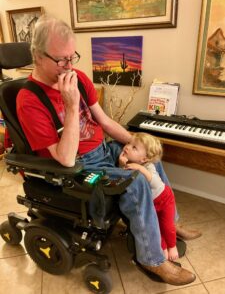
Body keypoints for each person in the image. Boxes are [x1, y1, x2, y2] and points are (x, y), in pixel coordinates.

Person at [17, 14, 197, 286]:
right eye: (61, 60)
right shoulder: (29, 100)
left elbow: (103, 121)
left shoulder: (77, 76)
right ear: (38, 56)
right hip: (77, 167)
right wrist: (69, 104)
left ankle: (168, 223)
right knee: (136, 181)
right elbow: (65, 158)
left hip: (103, 150)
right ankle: (152, 258)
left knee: (150, 162)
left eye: (71, 57)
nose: (69, 66)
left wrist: (137, 142)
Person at [119, 132, 180, 261]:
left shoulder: (149, 166)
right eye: (129, 143)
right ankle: (162, 248)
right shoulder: (131, 162)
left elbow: (155, 182)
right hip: (152, 203)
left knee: (168, 226)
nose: (128, 147)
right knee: (156, 226)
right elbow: (124, 177)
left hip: (165, 198)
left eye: (134, 147)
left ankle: (172, 245)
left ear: (144, 159)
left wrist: (140, 169)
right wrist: (122, 164)